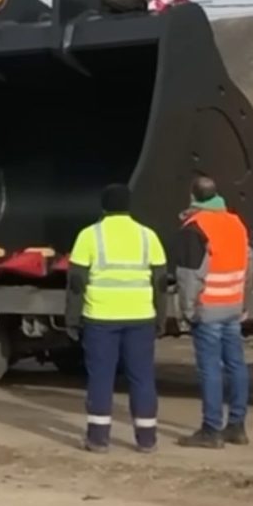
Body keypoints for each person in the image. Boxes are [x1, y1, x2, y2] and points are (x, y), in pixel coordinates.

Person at [66, 184, 168, 452]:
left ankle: (98, 439)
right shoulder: (148, 236)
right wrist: (161, 318)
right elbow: (160, 283)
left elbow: (76, 283)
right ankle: (147, 440)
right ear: (129, 206)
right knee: (142, 378)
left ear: (103, 207)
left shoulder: (89, 236)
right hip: (141, 317)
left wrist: (72, 319)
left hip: (100, 317)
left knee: (101, 377)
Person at [174, 173, 253, 447]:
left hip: (207, 308)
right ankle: (237, 426)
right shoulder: (235, 223)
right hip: (232, 304)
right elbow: (248, 266)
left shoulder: (194, 227)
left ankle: (210, 430)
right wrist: (244, 302)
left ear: (193, 196)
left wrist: (187, 311)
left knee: (210, 369)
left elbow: (188, 276)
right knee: (236, 365)